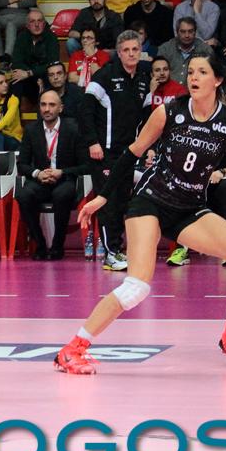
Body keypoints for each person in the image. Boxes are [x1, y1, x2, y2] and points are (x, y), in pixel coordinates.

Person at [56, 53, 226, 375]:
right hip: (151, 203)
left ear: (217, 80)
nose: (193, 77)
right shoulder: (169, 111)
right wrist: (102, 196)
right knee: (137, 286)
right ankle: (72, 349)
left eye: (202, 72)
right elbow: (131, 154)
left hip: (190, 208)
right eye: (191, 72)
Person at [81, 30, 151, 271]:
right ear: (119, 53)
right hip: (104, 153)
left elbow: (147, 117)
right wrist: (92, 142)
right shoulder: (104, 76)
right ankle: (110, 253)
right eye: (126, 50)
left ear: (140, 51)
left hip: (129, 154)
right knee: (107, 203)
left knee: (122, 203)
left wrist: (147, 147)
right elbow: (85, 110)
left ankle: (118, 250)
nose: (131, 54)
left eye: (135, 49)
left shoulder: (143, 78)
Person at [16, 90, 89, 260]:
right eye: (43, 104)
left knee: (62, 194)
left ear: (60, 108)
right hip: (40, 181)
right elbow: (22, 164)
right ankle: (40, 245)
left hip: (65, 179)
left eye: (51, 105)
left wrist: (62, 172)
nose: (47, 109)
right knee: (23, 194)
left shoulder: (74, 129)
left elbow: (86, 165)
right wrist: (38, 173)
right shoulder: (31, 130)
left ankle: (57, 246)